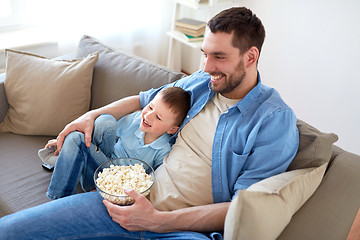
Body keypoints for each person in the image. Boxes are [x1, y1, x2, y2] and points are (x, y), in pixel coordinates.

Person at [0, 7, 299, 240]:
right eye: (205, 54)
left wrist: (156, 221)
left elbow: (242, 209)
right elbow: (143, 100)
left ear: (251, 56)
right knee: (9, 231)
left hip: (183, 230)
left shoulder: (273, 121)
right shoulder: (200, 82)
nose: (207, 67)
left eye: (218, 56)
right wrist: (89, 116)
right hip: (126, 201)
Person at [41, 86, 191, 199]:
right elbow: (101, 132)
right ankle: (59, 191)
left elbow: (152, 182)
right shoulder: (135, 120)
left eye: (158, 117)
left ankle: (62, 192)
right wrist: (68, 140)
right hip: (99, 164)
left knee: (80, 137)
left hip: (116, 184)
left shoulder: (163, 150)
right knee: (105, 121)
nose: (148, 115)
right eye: (150, 107)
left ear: (172, 129)